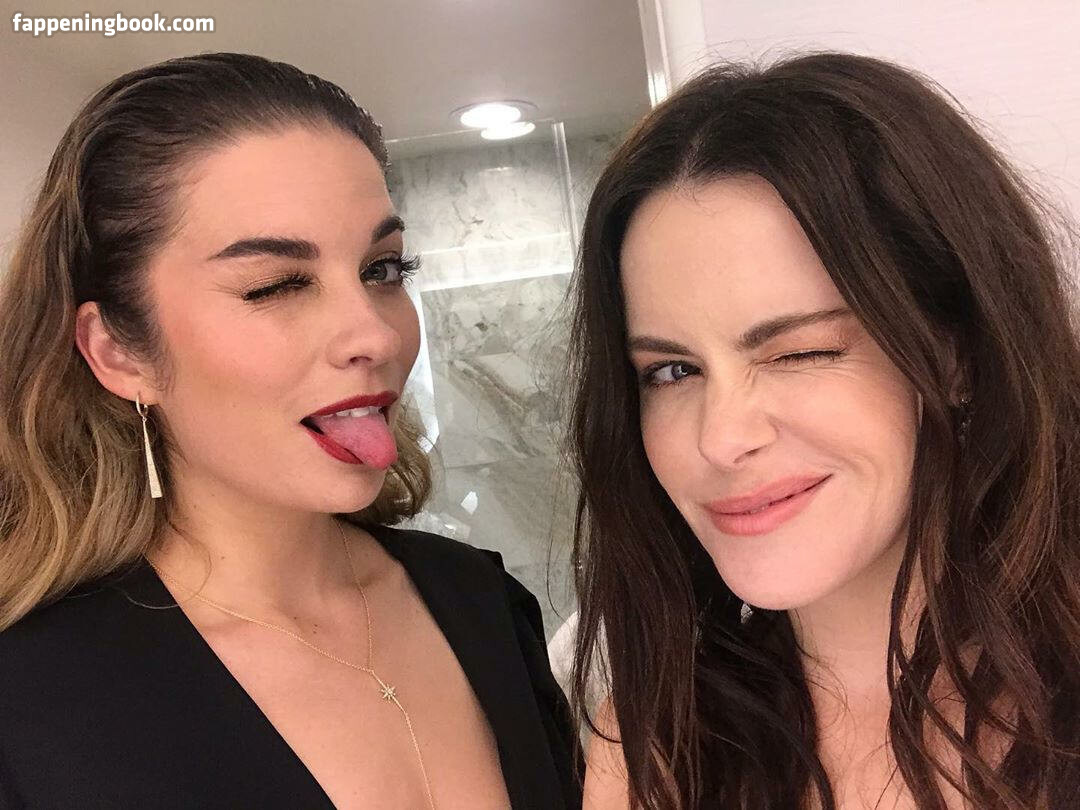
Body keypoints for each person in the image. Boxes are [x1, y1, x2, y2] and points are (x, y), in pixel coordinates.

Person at [0, 52, 580, 810]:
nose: (374, 333)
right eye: (276, 285)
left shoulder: (481, 601)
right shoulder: (30, 709)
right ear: (118, 352)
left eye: (384, 269)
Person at [568, 53, 1080, 809]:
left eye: (798, 352)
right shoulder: (656, 751)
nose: (720, 438)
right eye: (672, 371)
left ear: (957, 357)